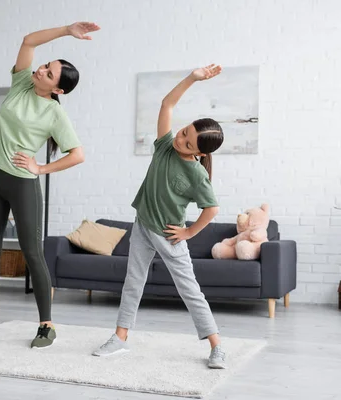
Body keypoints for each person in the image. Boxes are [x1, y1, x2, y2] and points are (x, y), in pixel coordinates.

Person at [0, 22, 100, 349]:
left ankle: (46, 325)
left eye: (48, 74)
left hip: (23, 184)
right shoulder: (22, 82)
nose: (41, 71)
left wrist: (41, 167)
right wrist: (67, 30)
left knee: (32, 254)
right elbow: (28, 40)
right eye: (46, 66)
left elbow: (78, 154)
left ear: (58, 90)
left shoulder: (54, 113)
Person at [92, 64, 227, 369]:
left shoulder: (196, 173)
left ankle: (216, 346)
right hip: (142, 225)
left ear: (200, 154)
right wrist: (193, 78)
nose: (180, 140)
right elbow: (167, 104)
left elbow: (212, 209)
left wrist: (189, 234)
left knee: (189, 290)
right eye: (183, 133)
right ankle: (120, 337)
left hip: (169, 234)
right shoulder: (165, 145)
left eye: (188, 143)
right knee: (133, 281)